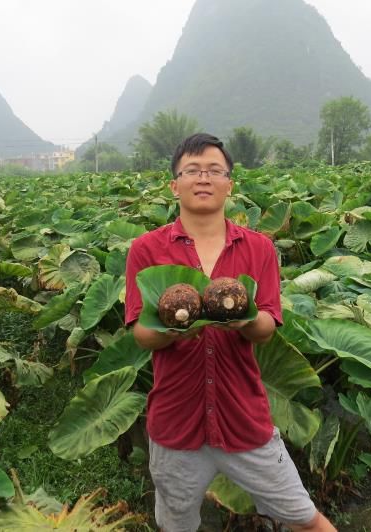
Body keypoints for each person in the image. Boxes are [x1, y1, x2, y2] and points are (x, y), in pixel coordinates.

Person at [124, 133, 336, 532]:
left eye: (213, 171)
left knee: (304, 518)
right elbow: (142, 334)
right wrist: (173, 330)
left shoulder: (258, 248)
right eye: (191, 171)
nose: (202, 178)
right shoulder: (146, 250)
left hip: (244, 421)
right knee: (177, 526)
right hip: (176, 425)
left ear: (229, 184)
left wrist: (245, 320)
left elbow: (267, 327)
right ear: (175, 184)